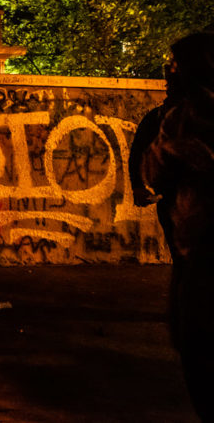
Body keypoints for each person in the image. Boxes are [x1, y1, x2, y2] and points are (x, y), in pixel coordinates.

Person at [142, 32, 214, 421]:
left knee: (200, 353)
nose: (169, 71)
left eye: (175, 64)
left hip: (203, 253)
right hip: (196, 249)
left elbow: (153, 172)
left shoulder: (181, 119)